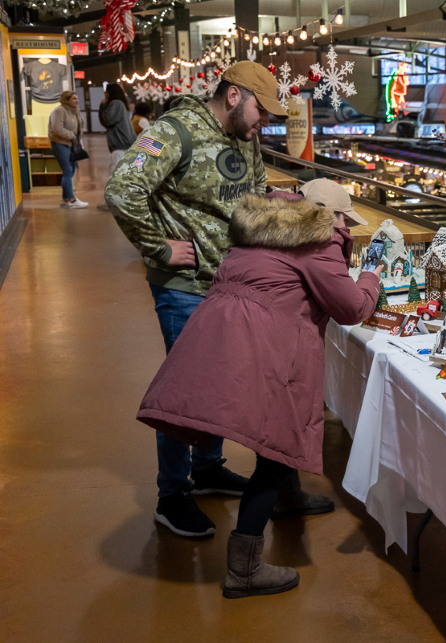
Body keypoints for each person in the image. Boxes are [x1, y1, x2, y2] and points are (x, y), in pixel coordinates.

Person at [137, 189, 380, 598]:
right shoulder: (318, 242)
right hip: (269, 344)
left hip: (222, 334)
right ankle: (243, 569)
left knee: (277, 433)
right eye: (345, 220)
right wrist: (370, 274)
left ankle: (288, 500)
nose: (346, 228)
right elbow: (353, 308)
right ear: (328, 215)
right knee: (277, 441)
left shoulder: (261, 229)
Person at [106, 62, 311, 539]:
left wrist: (281, 204)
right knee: (187, 390)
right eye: (262, 109)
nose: (266, 121)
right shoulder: (176, 130)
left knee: (217, 382)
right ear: (235, 96)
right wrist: (158, 247)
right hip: (184, 285)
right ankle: (172, 495)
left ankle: (208, 468)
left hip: (231, 282)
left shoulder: (246, 137)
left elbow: (253, 193)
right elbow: (122, 189)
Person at [48, 91, 87, 208]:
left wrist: (79, 142)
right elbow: (56, 128)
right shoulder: (59, 111)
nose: (77, 101)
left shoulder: (75, 111)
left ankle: (66, 199)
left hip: (73, 145)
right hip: (60, 144)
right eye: (74, 98)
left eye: (77, 98)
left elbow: (79, 128)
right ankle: (71, 199)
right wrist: (71, 136)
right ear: (66, 100)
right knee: (67, 170)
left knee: (71, 170)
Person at [99, 83, 137, 173]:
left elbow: (107, 120)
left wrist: (103, 106)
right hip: (125, 144)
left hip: (120, 145)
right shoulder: (120, 104)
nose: (105, 92)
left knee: (115, 175)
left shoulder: (115, 103)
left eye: (106, 90)